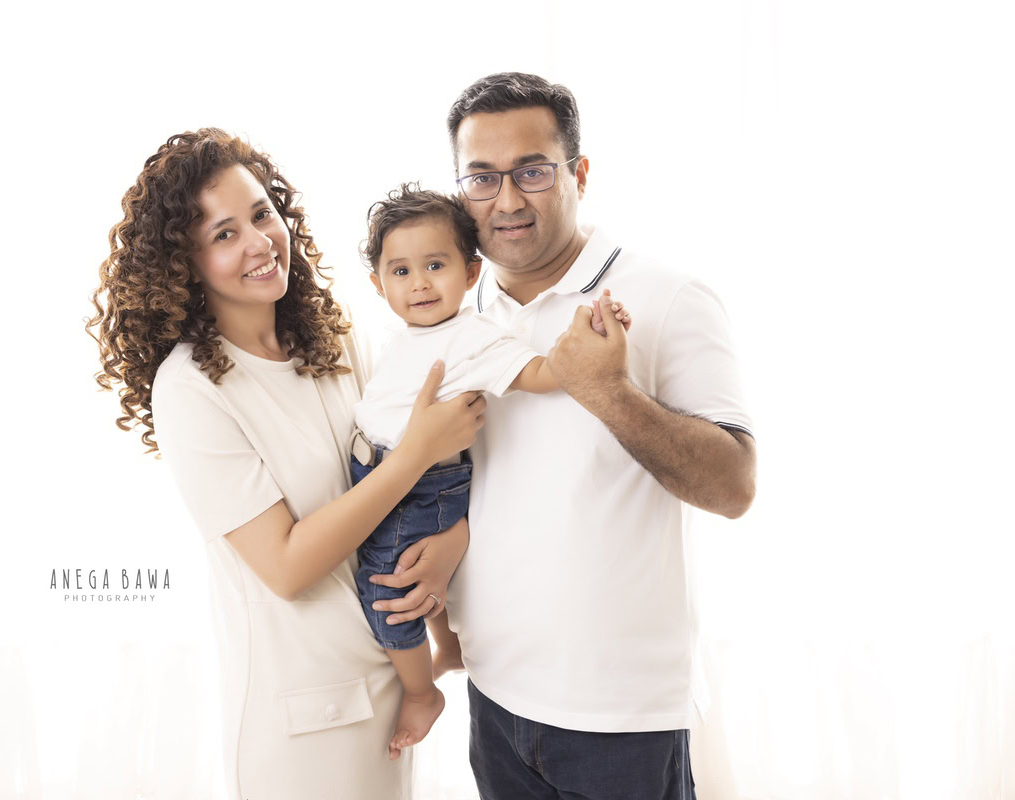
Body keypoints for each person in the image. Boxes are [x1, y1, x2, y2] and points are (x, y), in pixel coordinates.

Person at [382, 72, 758, 799]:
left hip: (621, 717)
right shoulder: (455, 311)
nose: (508, 199)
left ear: (578, 173)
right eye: (482, 178)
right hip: (494, 695)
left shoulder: (665, 297)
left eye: (532, 171)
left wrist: (608, 392)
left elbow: (734, 488)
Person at [86, 129, 486, 800]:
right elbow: (289, 566)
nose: (258, 241)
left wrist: (453, 540)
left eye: (262, 213)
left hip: (389, 688)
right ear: (183, 264)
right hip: (302, 721)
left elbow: (414, 484)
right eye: (222, 235)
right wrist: (417, 453)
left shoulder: (335, 337)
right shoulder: (190, 389)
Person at [348, 183, 631, 760]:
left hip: (420, 488)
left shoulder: (474, 337)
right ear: (378, 285)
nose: (420, 282)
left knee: (385, 588)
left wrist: (593, 337)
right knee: (422, 578)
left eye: (435, 264)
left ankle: (420, 690)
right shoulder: (402, 338)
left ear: (471, 271)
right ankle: (448, 646)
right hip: (386, 477)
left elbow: (541, 373)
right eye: (400, 271)